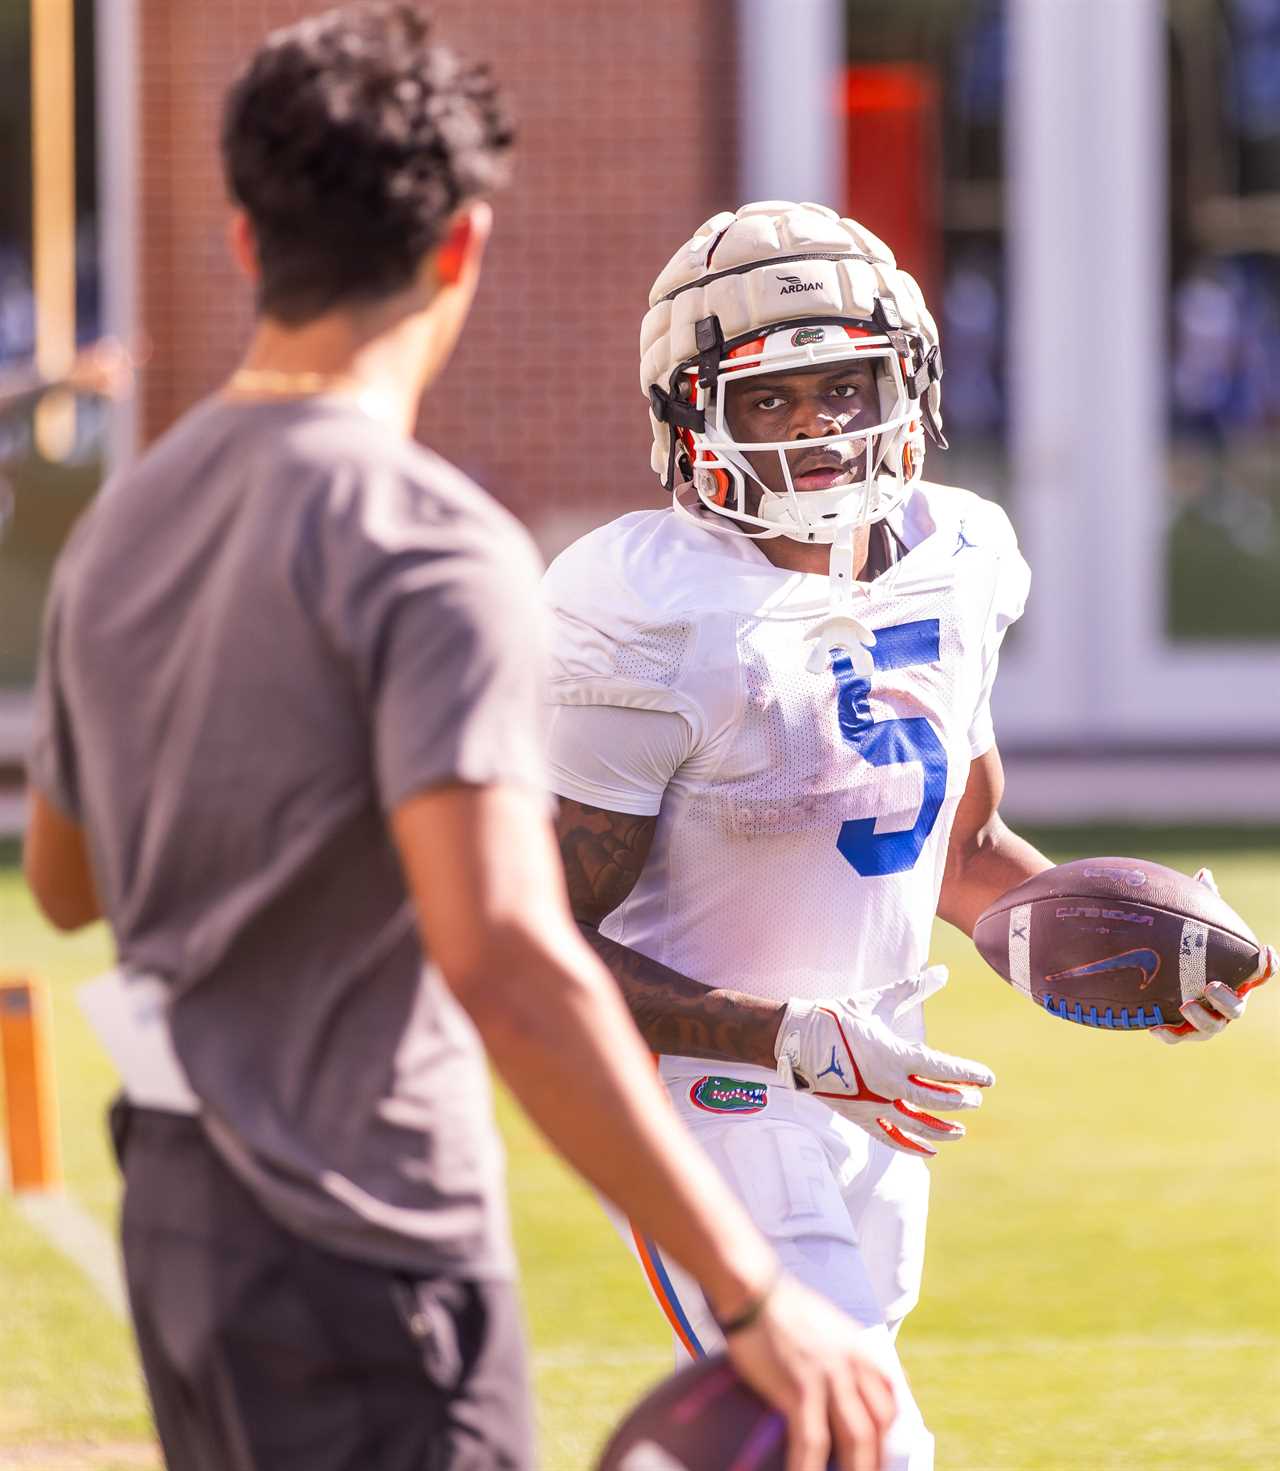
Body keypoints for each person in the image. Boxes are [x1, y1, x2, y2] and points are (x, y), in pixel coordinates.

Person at [22, 22, 896, 1471]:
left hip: (183, 1216)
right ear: (462, 247)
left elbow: (64, 883)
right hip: (369, 1225)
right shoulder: (431, 546)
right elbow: (504, 954)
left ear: (243, 237)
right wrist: (752, 1289)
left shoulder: (126, 519)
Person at [542, 200, 1277, 1471]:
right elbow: (547, 942)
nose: (819, 427)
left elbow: (957, 842)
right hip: (708, 1101)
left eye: (844, 385)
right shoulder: (645, 612)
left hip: (880, 1085)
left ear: (910, 383)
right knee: (857, 1436)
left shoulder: (961, 552)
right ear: (687, 420)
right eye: (769, 399)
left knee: (795, 1433)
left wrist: (1114, 947)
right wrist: (786, 1036)